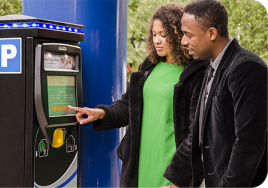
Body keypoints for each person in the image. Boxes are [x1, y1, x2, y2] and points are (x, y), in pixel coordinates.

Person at [69, 2, 208, 188]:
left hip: (171, 169)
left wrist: (179, 181)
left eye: (163, 35)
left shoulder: (195, 73)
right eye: (154, 34)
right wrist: (100, 113)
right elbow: (128, 106)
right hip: (140, 163)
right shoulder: (148, 66)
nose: (157, 40)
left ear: (178, 35)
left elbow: (196, 134)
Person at [164, 0, 268, 188]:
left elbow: (248, 144)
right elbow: (201, 134)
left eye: (188, 35)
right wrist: (177, 184)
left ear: (211, 33)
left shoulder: (246, 67)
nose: (183, 41)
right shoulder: (210, 67)